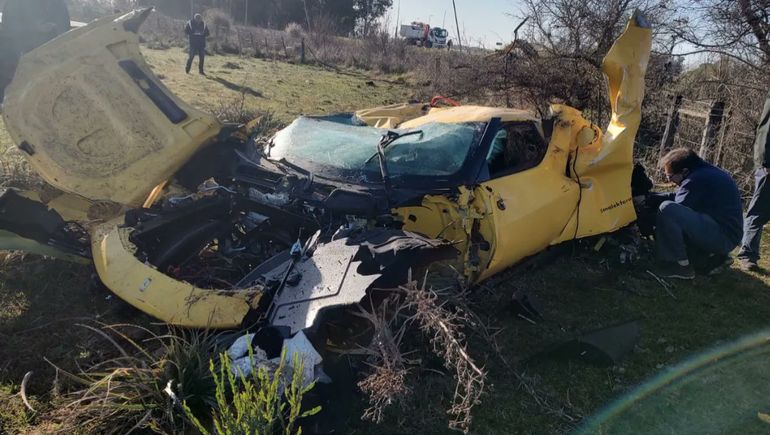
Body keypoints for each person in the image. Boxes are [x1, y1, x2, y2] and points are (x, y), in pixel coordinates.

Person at [645, 148, 743, 279]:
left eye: (670, 177)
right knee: (669, 209)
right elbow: (681, 196)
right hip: (727, 233)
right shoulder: (705, 173)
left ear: (684, 171)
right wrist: (650, 197)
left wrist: (643, 216)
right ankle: (713, 258)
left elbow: (672, 211)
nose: (670, 181)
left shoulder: (695, 180)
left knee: (667, 209)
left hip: (723, 236)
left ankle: (679, 266)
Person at [736, 93, 770, 271]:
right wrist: (766, 163)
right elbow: (765, 131)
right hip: (768, 168)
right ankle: (747, 255)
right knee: (759, 210)